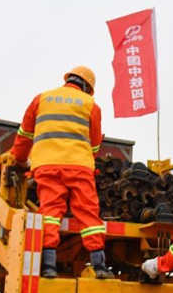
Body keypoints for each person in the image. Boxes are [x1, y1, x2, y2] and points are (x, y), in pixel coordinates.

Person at [11, 66, 112, 279]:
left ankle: (48, 266)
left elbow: (24, 135)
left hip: (46, 166)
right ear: (87, 87)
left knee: (50, 212)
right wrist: (85, 160)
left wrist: (18, 160)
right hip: (79, 166)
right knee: (87, 211)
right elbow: (94, 144)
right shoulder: (91, 105)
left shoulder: (42, 99)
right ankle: (99, 266)